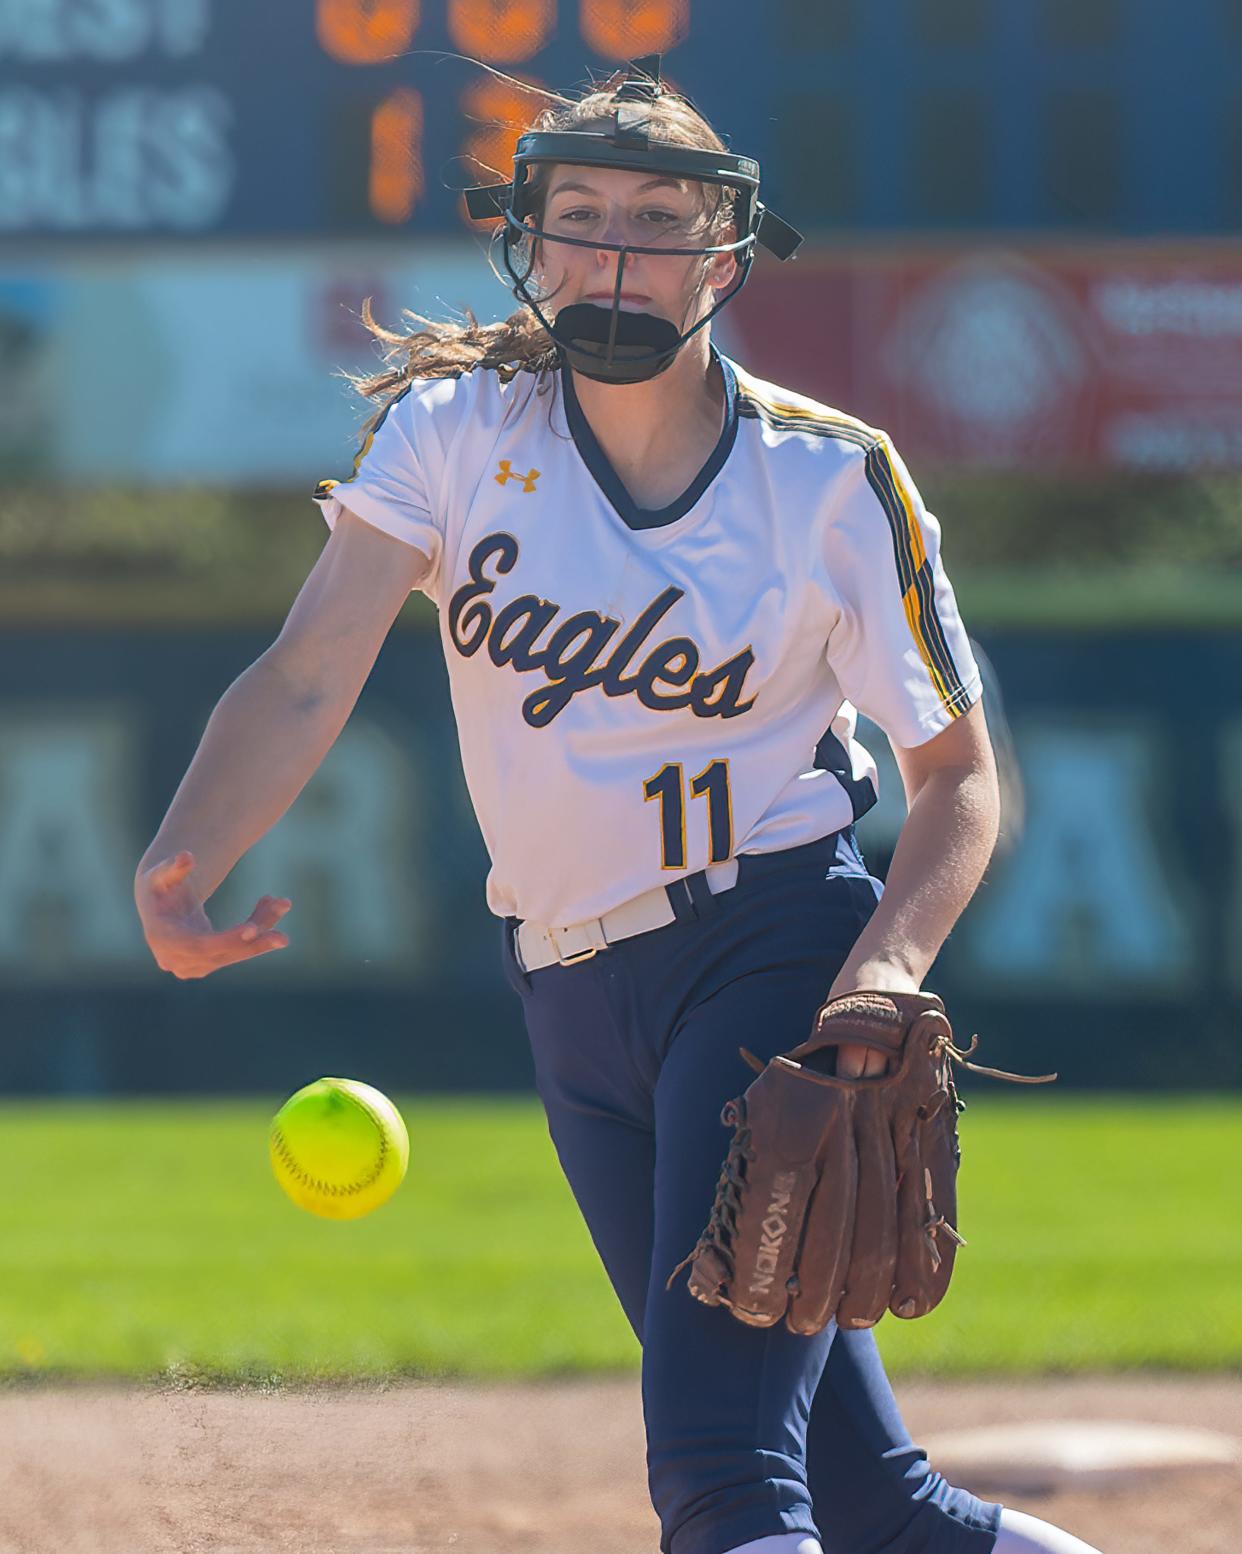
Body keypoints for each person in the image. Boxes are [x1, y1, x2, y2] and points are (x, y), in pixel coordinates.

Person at [135, 57, 1103, 1554]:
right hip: (568, 993)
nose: (611, 251)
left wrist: (885, 970)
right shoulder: (460, 431)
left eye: (655, 220)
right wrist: (184, 859)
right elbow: (307, 669)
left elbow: (958, 776)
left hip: (769, 955)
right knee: (869, 1500)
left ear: (722, 252)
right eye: (577, 215)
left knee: (721, 1476)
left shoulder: (828, 479)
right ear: (528, 235)